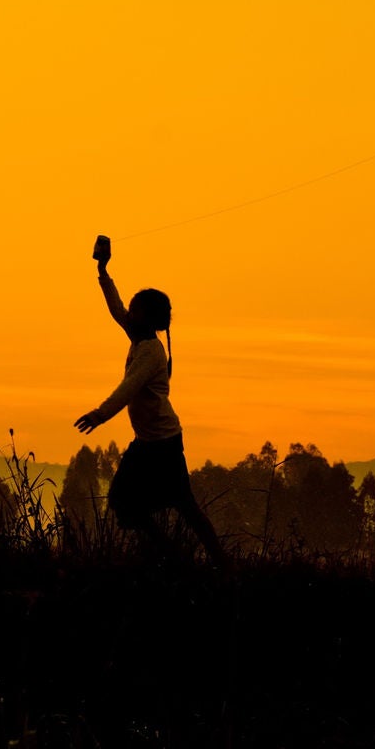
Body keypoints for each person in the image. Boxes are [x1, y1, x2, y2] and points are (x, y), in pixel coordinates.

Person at [74, 236, 227, 566]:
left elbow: (128, 388)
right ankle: (177, 557)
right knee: (127, 503)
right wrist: (103, 271)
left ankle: (212, 563)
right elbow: (115, 309)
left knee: (178, 506)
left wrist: (100, 414)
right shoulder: (139, 337)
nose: (128, 310)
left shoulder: (151, 352)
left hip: (163, 445)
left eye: (135, 307)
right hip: (148, 444)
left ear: (147, 317)